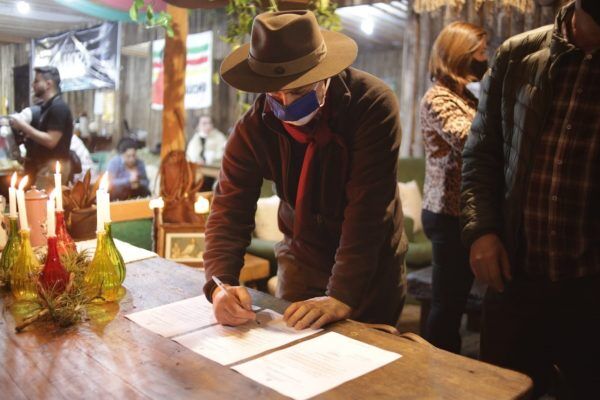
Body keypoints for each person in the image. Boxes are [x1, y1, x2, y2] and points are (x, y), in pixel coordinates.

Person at [203, 10, 407, 330]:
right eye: (274, 93)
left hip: (367, 263)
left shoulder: (372, 104)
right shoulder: (252, 128)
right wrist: (221, 285)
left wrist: (341, 294)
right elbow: (229, 208)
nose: (285, 102)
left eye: (298, 91)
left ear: (323, 74)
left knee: (367, 360)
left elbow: (368, 209)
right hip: (302, 257)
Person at [461, 1, 600, 398]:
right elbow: (481, 153)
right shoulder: (518, 54)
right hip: (515, 275)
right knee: (502, 389)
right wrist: (481, 231)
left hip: (591, 285)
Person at [420, 22, 487, 353]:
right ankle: (438, 373)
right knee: (447, 305)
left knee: (458, 300)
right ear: (461, 56)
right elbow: (467, 138)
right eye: (480, 53)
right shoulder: (438, 98)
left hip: (464, 211)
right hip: (446, 213)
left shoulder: (465, 96)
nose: (484, 59)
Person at [9, 66, 73, 190]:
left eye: (37, 81)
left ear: (48, 84)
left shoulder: (58, 107)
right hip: (45, 166)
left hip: (53, 167)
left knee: (41, 206)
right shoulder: (46, 108)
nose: (33, 85)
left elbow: (51, 141)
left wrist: (23, 125)